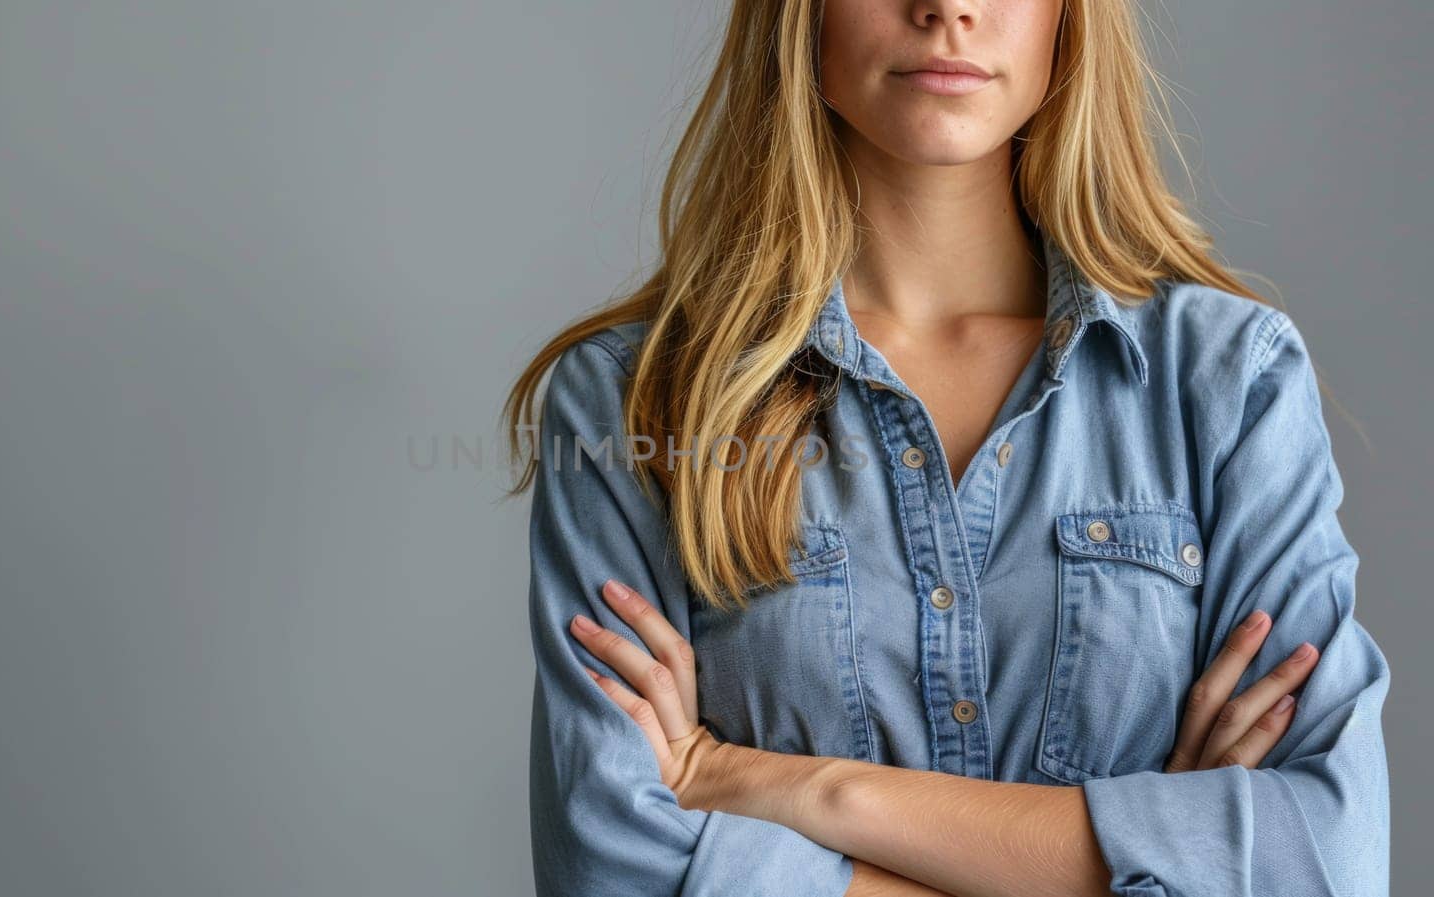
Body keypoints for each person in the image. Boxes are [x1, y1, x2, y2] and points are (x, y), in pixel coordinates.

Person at [501, 0, 1392, 895]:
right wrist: (1161, 860)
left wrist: (790, 789)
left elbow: (1328, 859)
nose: (947, 9)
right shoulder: (635, 399)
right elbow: (609, 869)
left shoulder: (1231, 382)